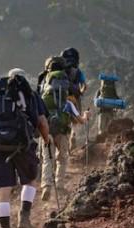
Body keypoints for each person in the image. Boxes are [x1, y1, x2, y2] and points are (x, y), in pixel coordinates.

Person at [0, 69, 51, 228]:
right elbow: (42, 121)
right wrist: (47, 140)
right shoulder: (30, 94)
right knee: (30, 181)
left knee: (3, 190)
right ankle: (24, 216)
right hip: (22, 145)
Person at [39, 56, 86, 202]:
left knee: (47, 159)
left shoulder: (43, 95)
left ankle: (46, 185)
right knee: (63, 158)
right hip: (63, 130)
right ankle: (59, 185)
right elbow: (80, 121)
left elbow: (38, 115)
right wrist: (86, 115)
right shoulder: (68, 101)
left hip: (47, 130)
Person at [61, 48, 89, 155]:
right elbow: (84, 85)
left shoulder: (61, 71)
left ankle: (65, 142)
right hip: (75, 99)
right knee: (75, 121)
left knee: (63, 120)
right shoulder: (78, 71)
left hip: (63, 98)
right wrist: (80, 92)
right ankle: (73, 136)